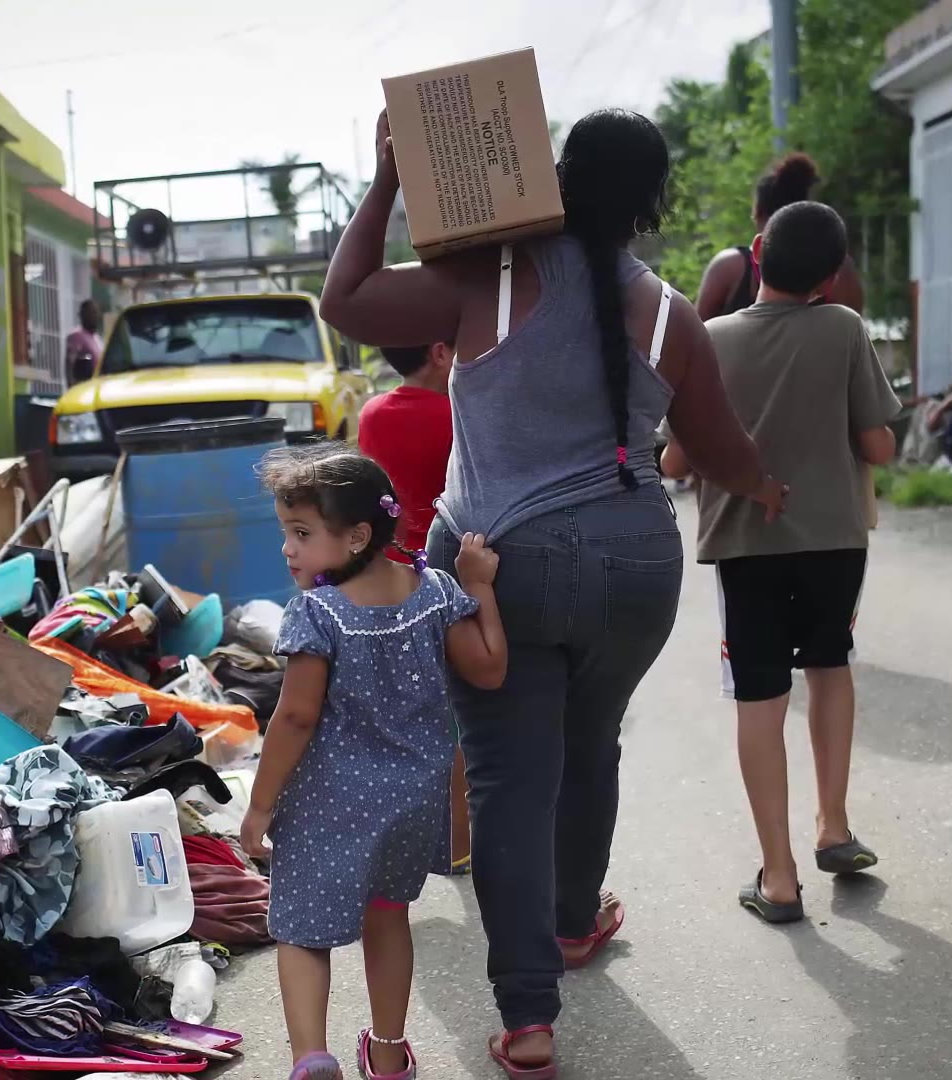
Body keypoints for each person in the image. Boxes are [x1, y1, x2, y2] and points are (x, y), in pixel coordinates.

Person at [320, 107, 785, 1078]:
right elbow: (726, 450)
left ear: (555, 179)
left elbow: (349, 300)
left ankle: (529, 1017)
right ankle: (576, 919)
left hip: (503, 565)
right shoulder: (669, 312)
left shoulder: (483, 279)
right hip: (636, 569)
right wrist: (771, 492)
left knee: (509, 784)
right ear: (651, 205)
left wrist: (387, 182)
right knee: (592, 740)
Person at [240, 444, 507, 1080]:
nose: (288, 549)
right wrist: (480, 587)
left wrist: (259, 804)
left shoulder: (318, 613)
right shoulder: (437, 591)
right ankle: (387, 1054)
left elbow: (297, 717)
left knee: (302, 930)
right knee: (388, 917)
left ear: (357, 534)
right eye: (286, 533)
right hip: (413, 801)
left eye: (302, 534)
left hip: (326, 802)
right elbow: (490, 669)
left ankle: (310, 1057)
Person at [695, 201, 903, 924]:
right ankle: (834, 826)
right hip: (835, 538)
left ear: (757, 250)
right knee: (829, 664)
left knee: (760, 695)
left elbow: (674, 455)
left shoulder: (710, 337)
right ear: (834, 275)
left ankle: (779, 878)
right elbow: (878, 446)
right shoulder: (844, 329)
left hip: (746, 542)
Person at [357, 341, 473, 874]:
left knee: (407, 714)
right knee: (458, 715)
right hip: (451, 575)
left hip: (392, 578)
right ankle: (459, 841)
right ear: (441, 353)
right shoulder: (461, 410)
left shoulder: (373, 414)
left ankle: (403, 841)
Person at [695, 153, 866, 321]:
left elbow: (697, 341)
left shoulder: (729, 267)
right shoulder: (839, 267)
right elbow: (850, 340)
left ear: (758, 214)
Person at [65, 299, 103, 384]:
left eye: (96, 312)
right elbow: (70, 364)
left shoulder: (97, 338)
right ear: (82, 315)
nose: (94, 316)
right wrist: (71, 386)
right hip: (85, 387)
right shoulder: (77, 336)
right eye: (91, 312)